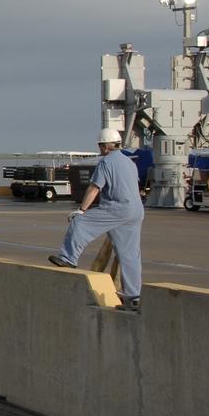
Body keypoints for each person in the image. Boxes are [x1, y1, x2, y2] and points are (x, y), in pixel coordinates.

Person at [49, 128, 144, 309]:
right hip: (136, 210)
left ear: (106, 146)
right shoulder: (130, 163)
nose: (100, 149)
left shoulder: (106, 162)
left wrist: (82, 209)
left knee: (80, 222)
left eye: (101, 145)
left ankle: (69, 258)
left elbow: (94, 188)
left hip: (117, 207)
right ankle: (133, 298)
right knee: (130, 254)